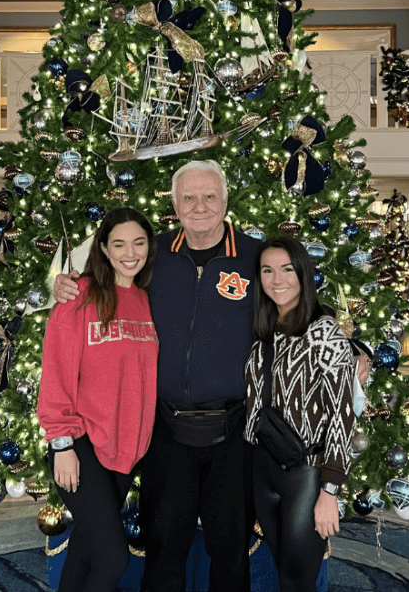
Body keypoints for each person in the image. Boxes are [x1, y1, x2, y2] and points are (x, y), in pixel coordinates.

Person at [55, 160, 262, 592]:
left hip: (233, 429)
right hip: (165, 430)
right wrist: (64, 284)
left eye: (210, 195)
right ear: (174, 203)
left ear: (226, 199)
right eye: (189, 197)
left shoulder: (256, 256)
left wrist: (353, 346)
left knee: (230, 551)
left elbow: (297, 298)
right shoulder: (153, 254)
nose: (200, 205)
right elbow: (101, 275)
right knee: (164, 548)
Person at [38, 207, 159, 592]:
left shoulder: (145, 299)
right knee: (113, 558)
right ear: (104, 249)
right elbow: (56, 373)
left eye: (139, 243)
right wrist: (62, 443)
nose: (130, 253)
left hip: (125, 450)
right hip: (81, 444)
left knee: (86, 551)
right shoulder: (79, 296)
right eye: (119, 244)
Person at [244, 235, 358, 592]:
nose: (277, 279)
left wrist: (330, 491)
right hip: (263, 466)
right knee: (283, 570)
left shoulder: (325, 334)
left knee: (298, 581)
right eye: (267, 270)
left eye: (287, 269)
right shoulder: (261, 328)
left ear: (303, 274)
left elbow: (342, 414)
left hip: (306, 474)